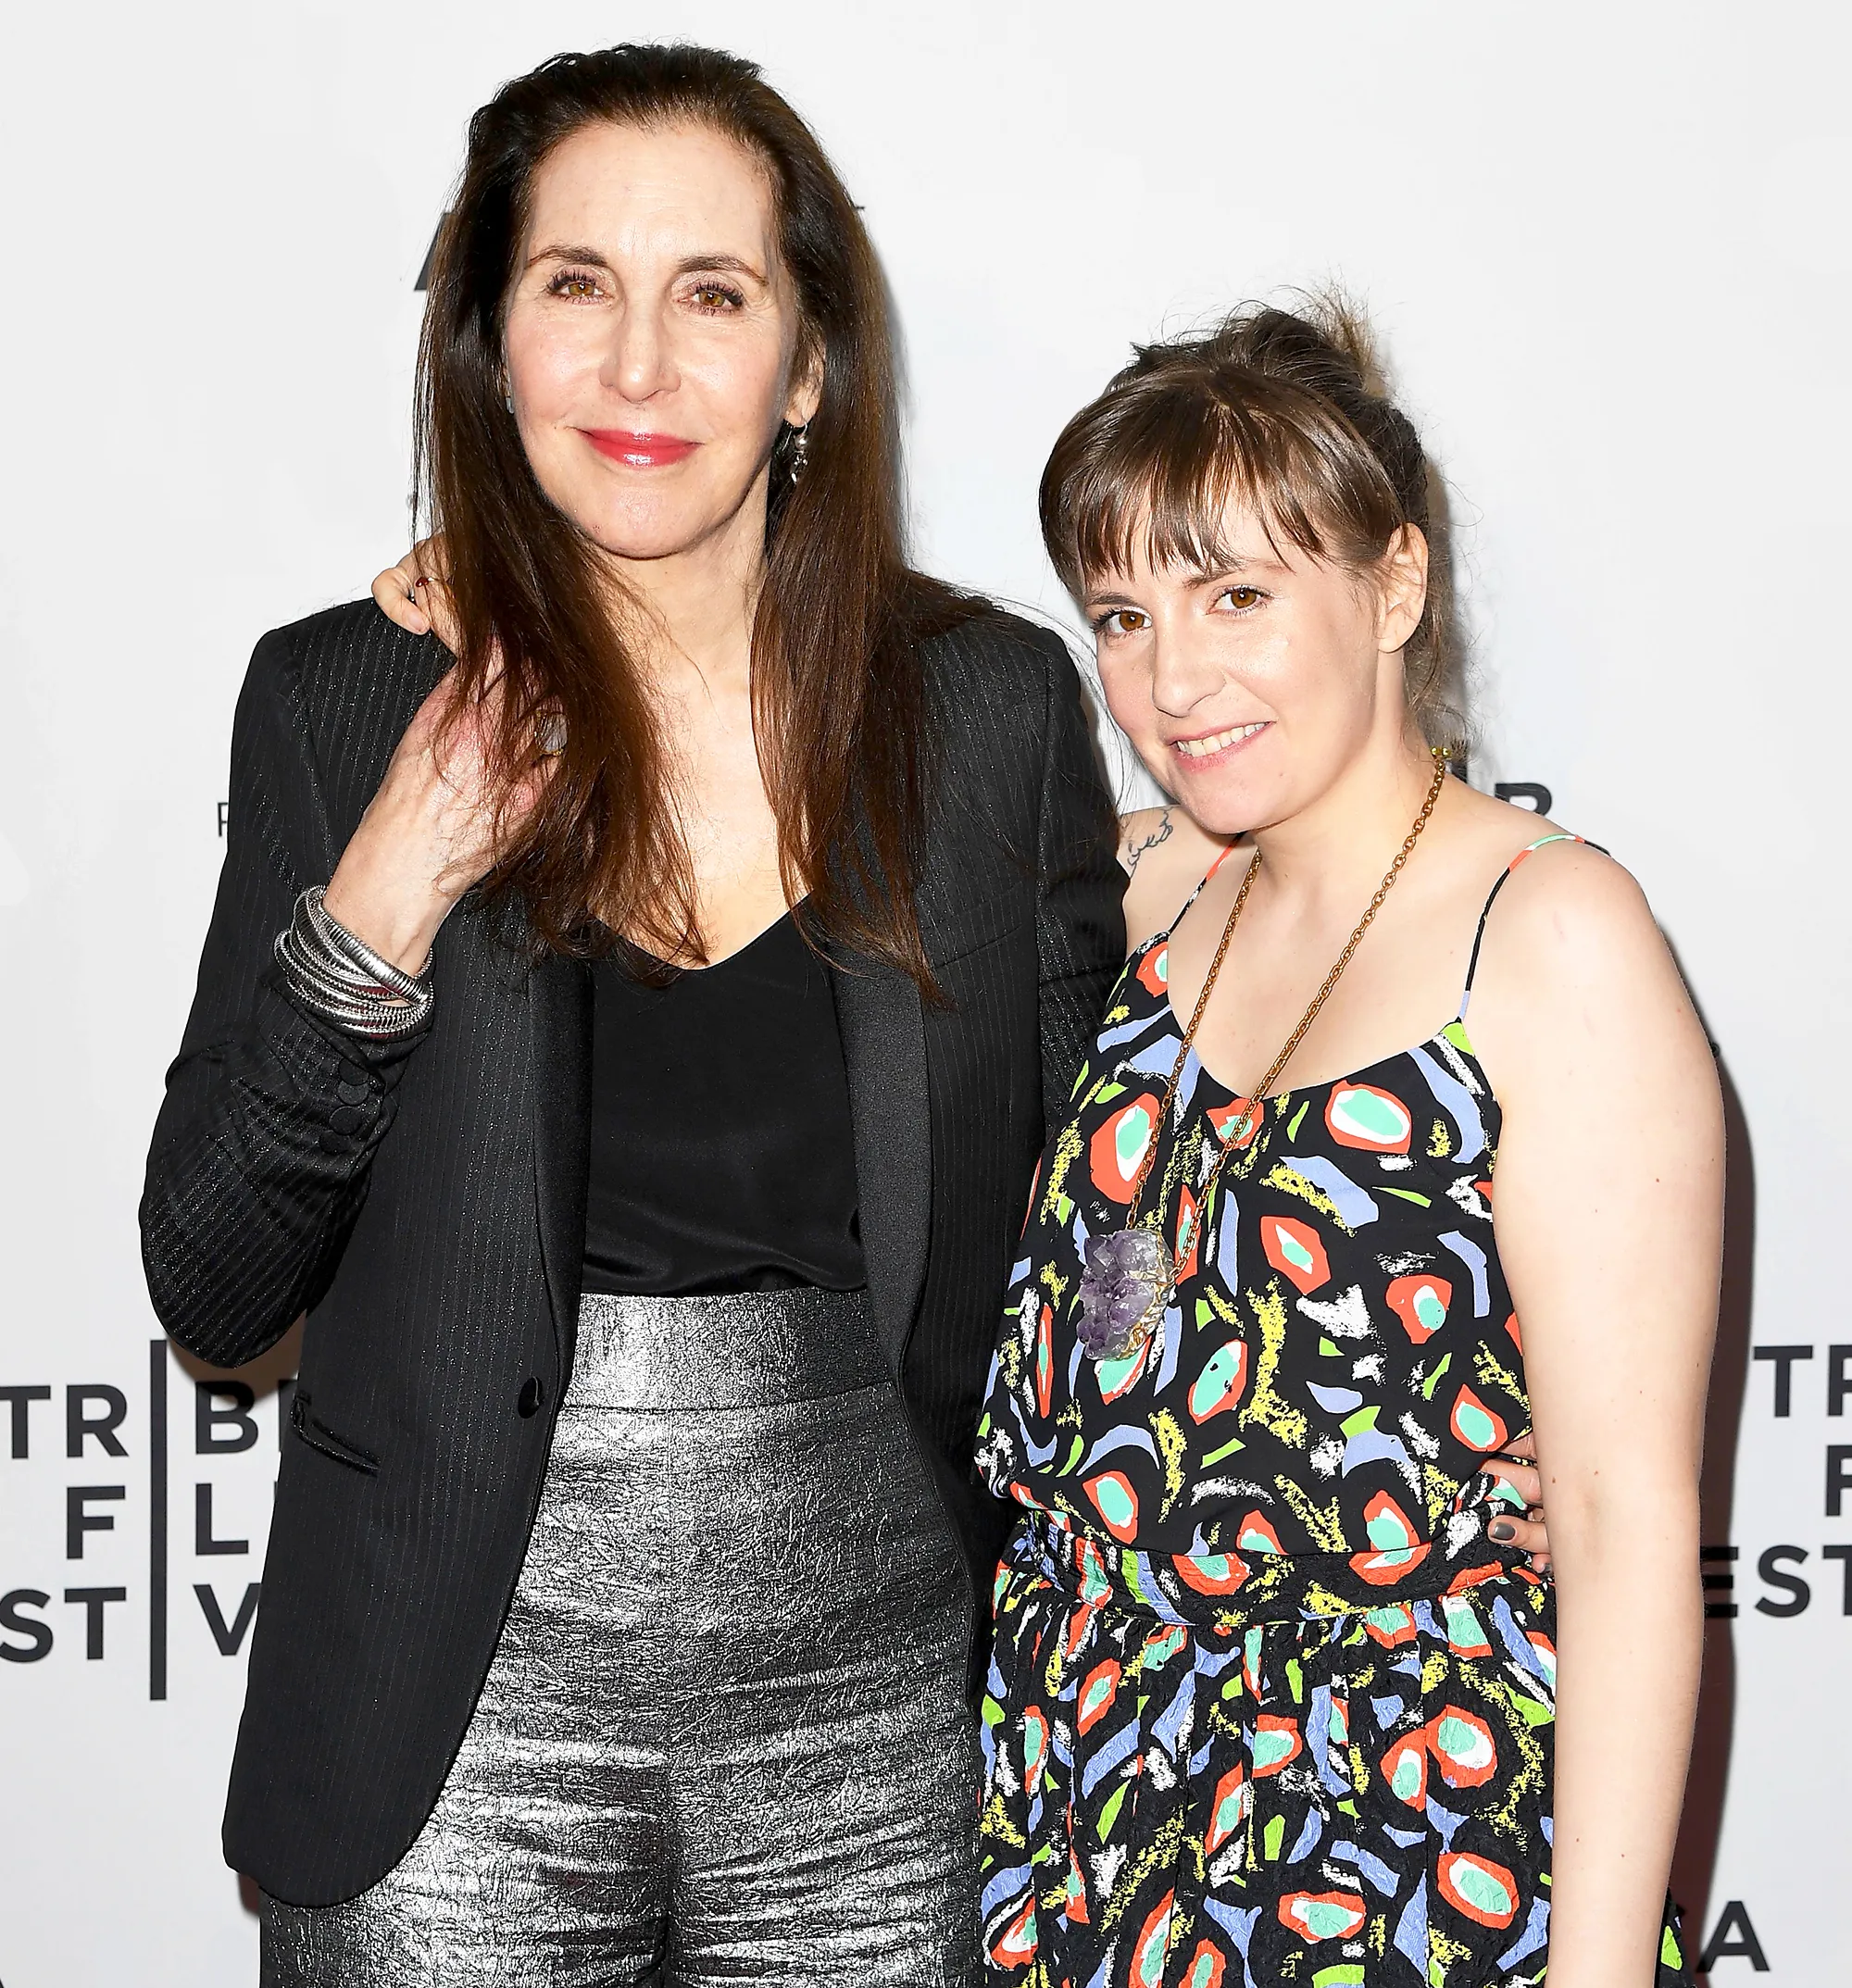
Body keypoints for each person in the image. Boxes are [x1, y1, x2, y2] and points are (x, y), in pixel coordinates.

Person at [141, 44, 1125, 1984]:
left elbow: (1100, 1224)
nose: (638, 367)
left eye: (713, 294)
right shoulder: (347, 702)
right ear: (490, 346)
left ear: (810, 365)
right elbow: (213, 1270)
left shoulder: (990, 709)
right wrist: (388, 890)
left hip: (886, 1722)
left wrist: (1422, 1430)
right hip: (453, 1711)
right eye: (573, 285)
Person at [973, 302, 1720, 1986]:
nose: (1173, 676)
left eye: (1237, 594)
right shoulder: (1155, 891)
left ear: (1394, 586)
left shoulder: (1547, 937)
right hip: (1090, 1814)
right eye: (1124, 612)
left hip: (1406, 1847)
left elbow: (1614, 1522)